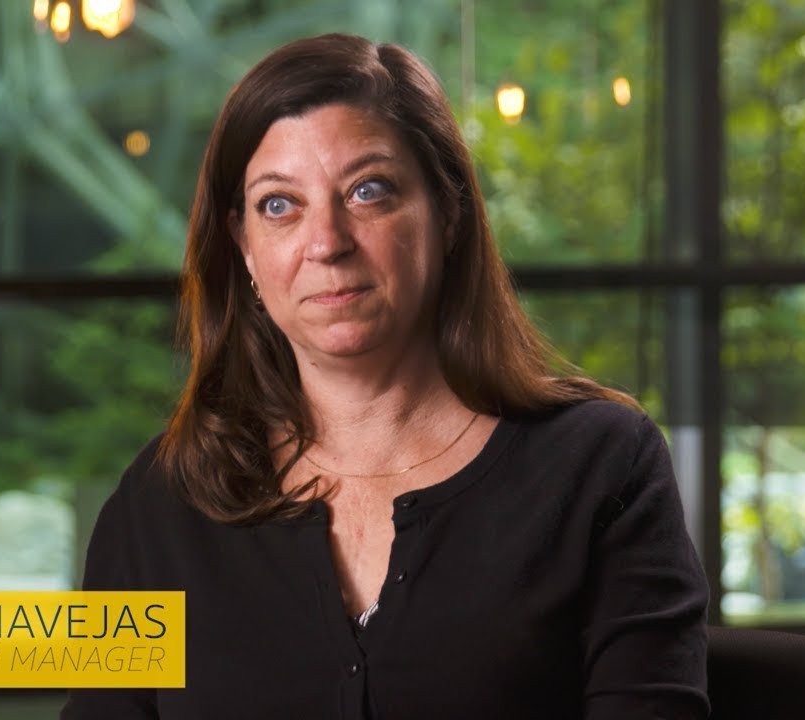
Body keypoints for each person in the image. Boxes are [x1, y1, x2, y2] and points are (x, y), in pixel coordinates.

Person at [61, 32, 709, 719]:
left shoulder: (602, 466)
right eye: (279, 205)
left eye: (369, 191)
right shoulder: (160, 502)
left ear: (448, 211)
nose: (327, 243)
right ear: (243, 247)